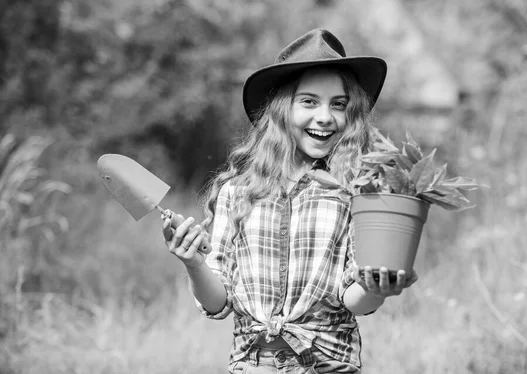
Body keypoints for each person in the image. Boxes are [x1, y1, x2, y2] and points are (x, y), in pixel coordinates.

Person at [161, 28, 418, 373]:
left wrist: (379, 287)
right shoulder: (237, 192)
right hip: (252, 365)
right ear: (282, 111)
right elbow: (218, 302)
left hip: (327, 365)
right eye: (309, 101)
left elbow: (354, 301)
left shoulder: (356, 192)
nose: (325, 116)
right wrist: (193, 263)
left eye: (338, 104)